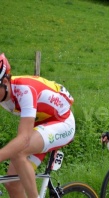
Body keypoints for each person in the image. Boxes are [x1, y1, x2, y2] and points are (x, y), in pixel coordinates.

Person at [0, 53, 75, 198]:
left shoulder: (24, 90)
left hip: (63, 122)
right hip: (42, 123)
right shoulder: (4, 92)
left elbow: (24, 139)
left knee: (19, 151)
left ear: (4, 81)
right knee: (12, 184)